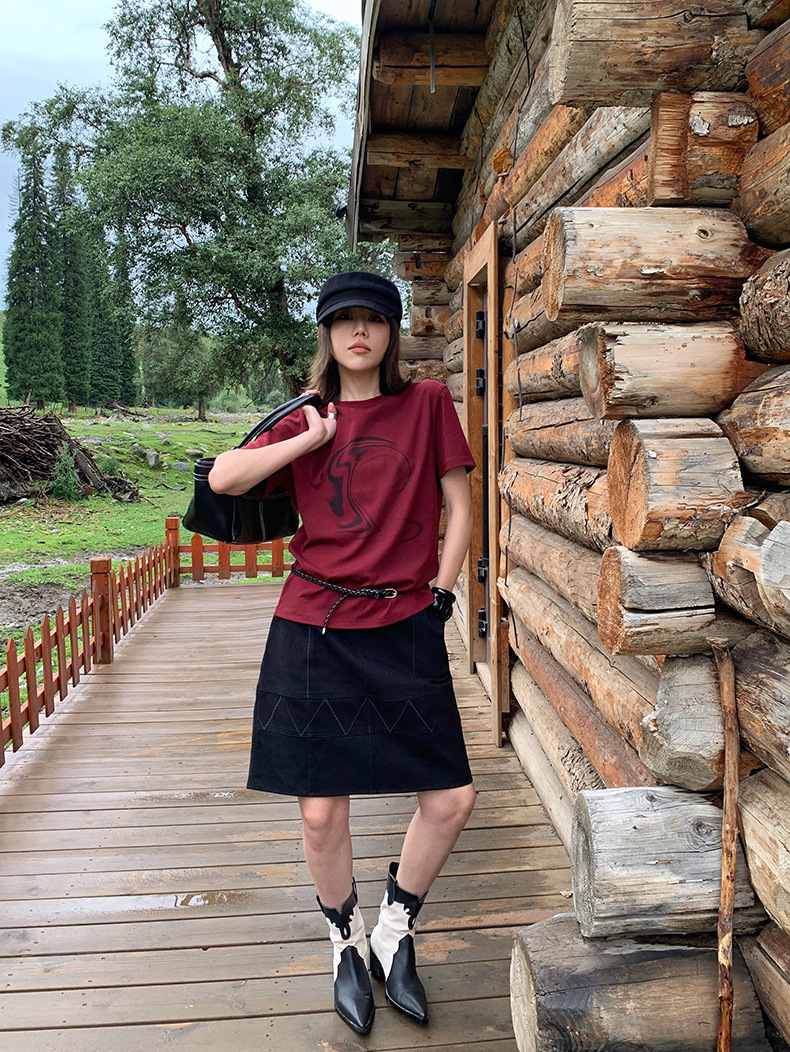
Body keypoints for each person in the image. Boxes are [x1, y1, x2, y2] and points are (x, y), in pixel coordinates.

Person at [208, 271, 476, 1036]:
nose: (359, 332)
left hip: (404, 621)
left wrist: (442, 595)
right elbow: (224, 477)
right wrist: (311, 437)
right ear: (326, 334)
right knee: (322, 812)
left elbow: (460, 505)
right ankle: (345, 944)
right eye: (344, 320)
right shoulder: (307, 413)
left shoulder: (428, 403)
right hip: (312, 626)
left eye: (374, 319)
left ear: (392, 332)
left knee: (451, 799)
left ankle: (395, 927)